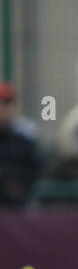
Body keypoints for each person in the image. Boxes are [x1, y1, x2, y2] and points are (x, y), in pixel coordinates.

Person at [0, 80, 41, 208]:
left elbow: (36, 170)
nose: (4, 109)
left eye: (7, 103)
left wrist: (19, 185)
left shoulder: (24, 140)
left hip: (19, 208)